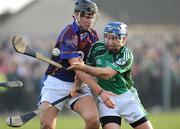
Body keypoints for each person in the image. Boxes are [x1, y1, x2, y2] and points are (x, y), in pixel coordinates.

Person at [39, 0, 115, 129]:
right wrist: (100, 92)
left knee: (93, 120)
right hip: (56, 83)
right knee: (47, 125)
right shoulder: (68, 34)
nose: (90, 20)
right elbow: (78, 67)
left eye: (92, 17)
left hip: (78, 81)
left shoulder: (93, 36)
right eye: (87, 16)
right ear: (77, 15)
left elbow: (86, 65)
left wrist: (77, 85)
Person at [68, 21, 154, 129]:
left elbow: (106, 73)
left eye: (114, 38)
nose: (110, 42)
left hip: (127, 98)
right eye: (107, 37)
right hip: (106, 98)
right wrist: (76, 87)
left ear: (124, 39)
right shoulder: (97, 48)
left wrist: (83, 67)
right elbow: (85, 73)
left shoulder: (126, 55)